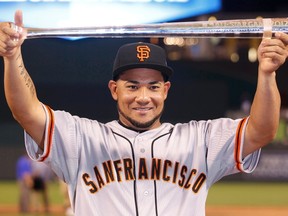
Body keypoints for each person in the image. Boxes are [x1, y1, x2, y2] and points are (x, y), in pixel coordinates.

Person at [1, 10, 288, 216]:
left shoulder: (200, 140)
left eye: (153, 87)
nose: (143, 97)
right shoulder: (81, 138)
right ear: (114, 89)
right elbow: (26, 111)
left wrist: (266, 75)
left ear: (165, 90)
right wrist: (13, 58)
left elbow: (261, 131)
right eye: (132, 86)